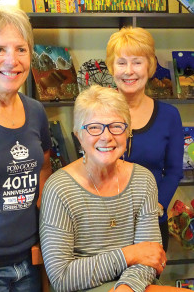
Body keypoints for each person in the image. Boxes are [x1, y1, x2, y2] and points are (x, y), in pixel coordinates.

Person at [40, 85, 167, 292]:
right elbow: (62, 277)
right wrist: (129, 254)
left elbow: (150, 256)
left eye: (116, 126)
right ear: (78, 136)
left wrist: (125, 287)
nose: (106, 136)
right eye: (94, 127)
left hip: (136, 287)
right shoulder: (59, 188)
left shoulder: (143, 180)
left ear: (128, 132)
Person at [0, 6, 52, 291]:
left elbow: (43, 165)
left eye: (21, 49)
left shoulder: (36, 111)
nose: (12, 60)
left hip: (29, 263)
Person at [106, 27, 184, 252]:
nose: (129, 71)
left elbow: (173, 171)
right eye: (121, 63)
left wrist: (155, 209)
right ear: (112, 67)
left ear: (150, 66)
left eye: (137, 62)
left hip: (151, 224)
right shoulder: (98, 112)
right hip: (106, 225)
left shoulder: (169, 115)